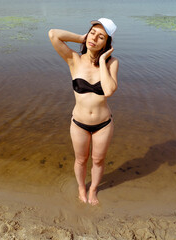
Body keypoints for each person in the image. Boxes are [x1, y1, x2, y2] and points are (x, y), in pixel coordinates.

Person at [49, 18, 119, 205]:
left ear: (107, 43)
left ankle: (93, 189)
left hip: (103, 124)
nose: (94, 38)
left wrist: (103, 61)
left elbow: (109, 90)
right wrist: (81, 38)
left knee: (98, 160)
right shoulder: (74, 59)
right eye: (92, 33)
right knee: (81, 160)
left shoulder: (112, 63)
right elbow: (53, 34)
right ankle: (82, 188)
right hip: (78, 124)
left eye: (101, 37)